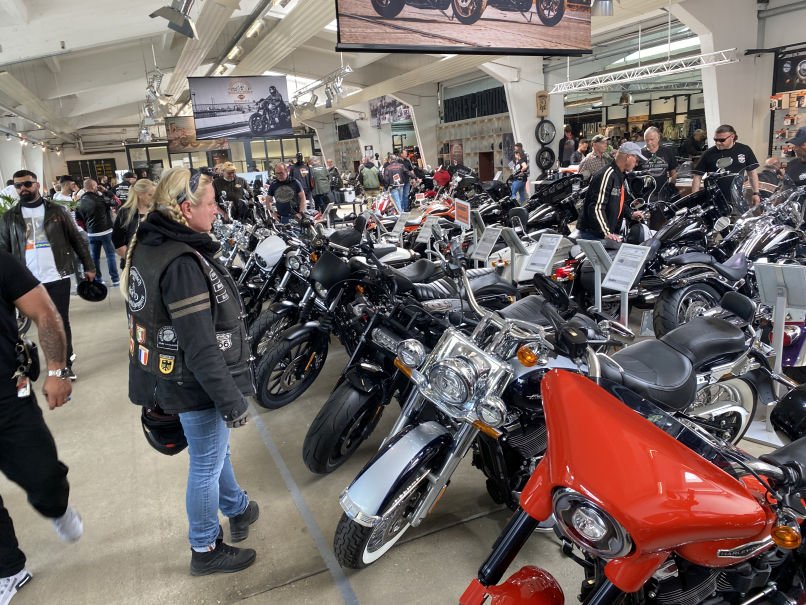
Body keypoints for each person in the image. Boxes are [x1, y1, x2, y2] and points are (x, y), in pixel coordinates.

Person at [120, 167, 258, 576]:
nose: (217, 210)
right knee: (206, 465)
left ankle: (237, 507)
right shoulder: (182, 263)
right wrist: (231, 401)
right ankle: (205, 547)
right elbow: (200, 346)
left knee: (214, 451)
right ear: (185, 208)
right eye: (211, 203)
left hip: (168, 377)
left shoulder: (152, 243)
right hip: (192, 383)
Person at [0, 249, 84, 604]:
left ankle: (57, 509)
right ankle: (8, 568)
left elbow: (45, 312)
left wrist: (57, 370)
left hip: (7, 397)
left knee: (43, 475)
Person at [0, 171, 96, 381]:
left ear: (37, 185)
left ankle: (64, 365)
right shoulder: (9, 217)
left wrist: (89, 266)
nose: (23, 188)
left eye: (27, 184)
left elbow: (76, 239)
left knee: (59, 322)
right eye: (18, 186)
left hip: (56, 276)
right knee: (16, 325)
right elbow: (3, 250)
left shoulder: (58, 211)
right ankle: (22, 364)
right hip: (24, 283)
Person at [576, 142, 645, 241]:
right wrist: (606, 232)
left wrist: (630, 214)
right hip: (593, 234)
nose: (637, 164)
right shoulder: (607, 175)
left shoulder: (618, 175)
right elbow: (596, 207)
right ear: (628, 157)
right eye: (636, 160)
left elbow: (616, 201)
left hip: (601, 234)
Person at [691, 124, 761, 207]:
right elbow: (697, 177)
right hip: (714, 201)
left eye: (722, 140)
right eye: (715, 139)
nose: (718, 142)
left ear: (732, 137)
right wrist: (694, 199)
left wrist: (756, 193)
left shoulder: (744, 150)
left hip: (737, 198)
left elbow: (752, 173)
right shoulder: (708, 154)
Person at [75, 179, 119, 286]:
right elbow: (117, 202)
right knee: (110, 255)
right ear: (94, 187)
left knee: (94, 258)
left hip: (92, 233)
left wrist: (87, 229)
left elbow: (78, 220)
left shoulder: (79, 202)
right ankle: (115, 280)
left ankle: (98, 279)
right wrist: (106, 191)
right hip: (106, 231)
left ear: (85, 188)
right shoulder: (101, 199)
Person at [112, 178, 156, 267]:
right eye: (150, 195)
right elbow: (118, 242)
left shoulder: (156, 211)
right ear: (140, 194)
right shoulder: (125, 212)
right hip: (132, 264)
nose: (154, 198)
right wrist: (133, 260)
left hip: (155, 263)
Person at [640, 126, 678, 200]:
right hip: (645, 195)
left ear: (658, 138)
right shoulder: (640, 153)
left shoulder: (667, 152)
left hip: (663, 193)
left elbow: (673, 172)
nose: (649, 143)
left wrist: (671, 186)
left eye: (651, 139)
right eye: (646, 140)